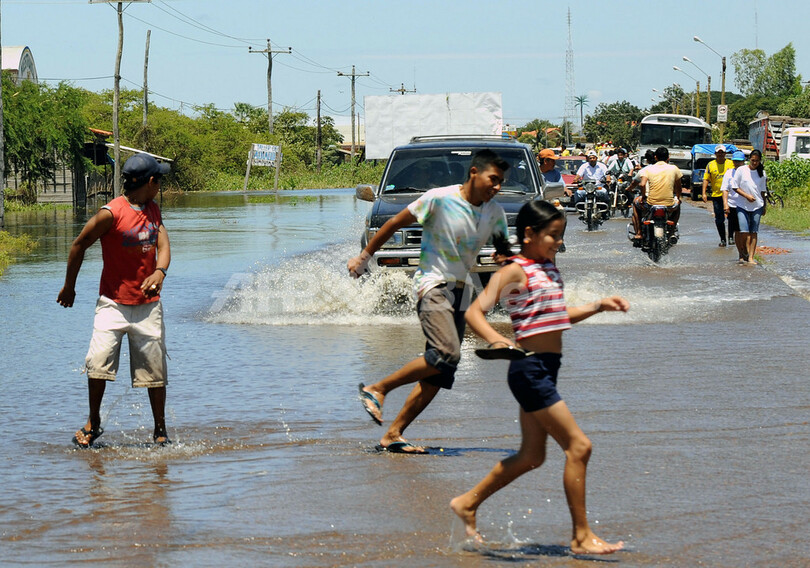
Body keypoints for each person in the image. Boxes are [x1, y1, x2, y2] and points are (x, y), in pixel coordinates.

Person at [449, 200, 628, 554]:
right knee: (579, 447)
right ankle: (581, 536)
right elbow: (474, 311)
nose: (558, 243)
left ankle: (467, 503)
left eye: (561, 236)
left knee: (532, 456)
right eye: (553, 236)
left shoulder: (548, 268)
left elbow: (556, 316)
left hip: (547, 367)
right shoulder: (515, 270)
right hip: (529, 368)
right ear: (529, 234)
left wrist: (596, 306)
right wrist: (497, 339)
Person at [348, 150, 510, 454]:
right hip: (431, 284)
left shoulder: (495, 213)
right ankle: (377, 389)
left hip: (461, 290)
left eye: (501, 182)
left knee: (441, 371)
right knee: (446, 352)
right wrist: (364, 257)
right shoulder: (439, 199)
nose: (497, 187)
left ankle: (393, 434)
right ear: (474, 172)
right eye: (493, 179)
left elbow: (503, 251)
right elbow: (394, 223)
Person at [57, 153, 172, 448]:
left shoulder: (153, 209)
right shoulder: (111, 213)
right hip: (113, 304)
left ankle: (160, 430)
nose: (160, 185)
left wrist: (160, 271)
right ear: (150, 182)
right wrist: (69, 287)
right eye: (159, 180)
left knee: (155, 371)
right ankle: (93, 422)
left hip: (148, 307)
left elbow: (163, 244)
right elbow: (78, 244)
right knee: (98, 363)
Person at [631, 146, 681, 244]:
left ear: (655, 157)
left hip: (650, 203)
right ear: (668, 158)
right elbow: (679, 186)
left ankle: (639, 233)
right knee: (678, 206)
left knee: (635, 203)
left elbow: (642, 184)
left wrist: (643, 197)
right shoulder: (674, 168)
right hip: (669, 204)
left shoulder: (648, 169)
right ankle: (671, 233)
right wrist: (678, 198)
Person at [731, 149, 767, 266]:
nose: (754, 163)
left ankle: (751, 257)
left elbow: (762, 191)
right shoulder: (742, 170)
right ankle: (743, 252)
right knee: (744, 231)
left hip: (757, 205)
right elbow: (735, 187)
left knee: (754, 232)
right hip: (742, 205)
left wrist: (764, 206)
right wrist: (746, 196)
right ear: (749, 160)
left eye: (757, 161)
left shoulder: (762, 173)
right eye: (752, 160)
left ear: (760, 161)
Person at [702, 145, 735, 247]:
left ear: (725, 153)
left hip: (730, 195)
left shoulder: (731, 164)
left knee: (731, 217)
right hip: (716, 195)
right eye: (718, 152)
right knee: (719, 219)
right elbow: (706, 179)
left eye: (722, 152)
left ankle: (730, 237)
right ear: (715, 154)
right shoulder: (710, 165)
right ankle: (723, 239)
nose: (720, 154)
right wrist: (703, 193)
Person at [722, 151, 748, 262]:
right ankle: (741, 254)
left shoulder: (748, 172)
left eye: (739, 162)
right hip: (733, 205)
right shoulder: (729, 173)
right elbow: (725, 190)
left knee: (746, 231)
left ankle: (746, 250)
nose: (737, 164)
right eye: (735, 161)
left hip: (746, 206)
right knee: (737, 231)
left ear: (743, 162)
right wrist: (725, 204)